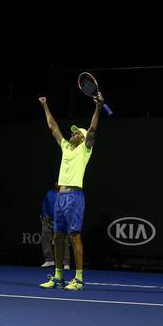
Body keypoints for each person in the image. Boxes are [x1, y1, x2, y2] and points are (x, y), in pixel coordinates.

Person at [38, 92, 104, 291]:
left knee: (74, 236)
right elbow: (53, 127)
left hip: (75, 197)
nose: (73, 133)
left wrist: (98, 107)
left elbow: (92, 128)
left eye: (77, 133)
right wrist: (45, 106)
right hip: (60, 197)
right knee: (58, 237)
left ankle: (79, 278)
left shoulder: (86, 149)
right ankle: (58, 276)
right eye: (73, 132)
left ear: (83, 139)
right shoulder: (66, 147)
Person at [40, 182, 70, 269]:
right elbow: (44, 204)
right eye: (56, 182)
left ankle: (66, 262)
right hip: (48, 220)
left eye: (60, 182)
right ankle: (49, 260)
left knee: (64, 241)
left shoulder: (66, 194)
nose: (58, 184)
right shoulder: (49, 193)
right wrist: (45, 215)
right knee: (45, 238)